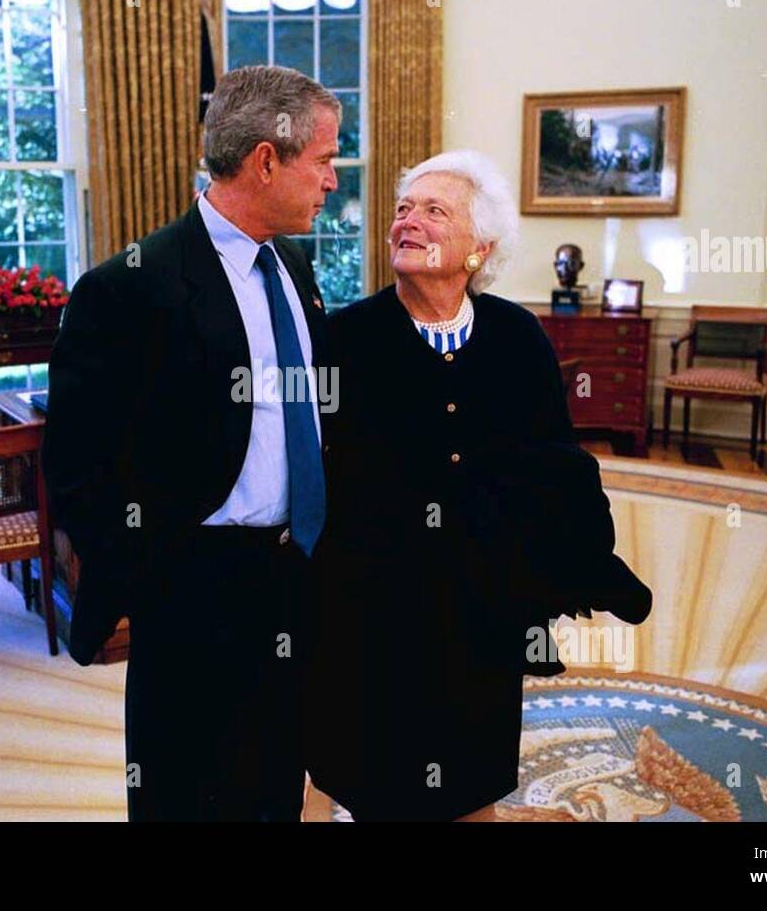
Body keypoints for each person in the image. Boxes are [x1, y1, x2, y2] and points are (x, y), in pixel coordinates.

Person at [304, 149, 651, 822]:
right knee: (381, 781)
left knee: (471, 779)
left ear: (478, 247)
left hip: (483, 606)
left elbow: (557, 461)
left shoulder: (517, 337)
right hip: (373, 608)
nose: (409, 221)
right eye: (404, 209)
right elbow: (308, 468)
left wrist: (589, 561)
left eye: (435, 211)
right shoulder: (344, 339)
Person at [43, 65, 340, 821]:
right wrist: (140, 580)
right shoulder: (128, 288)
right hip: (191, 583)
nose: (333, 181)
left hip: (294, 569)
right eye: (325, 160)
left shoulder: (295, 265)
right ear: (267, 160)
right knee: (182, 788)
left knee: (275, 776)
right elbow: (78, 466)